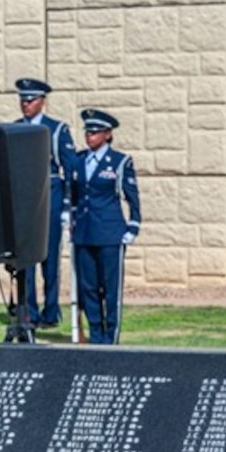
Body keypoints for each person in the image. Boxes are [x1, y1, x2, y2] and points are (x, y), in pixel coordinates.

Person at [70, 108, 141, 344]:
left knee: (111, 289)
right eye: (88, 132)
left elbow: (132, 197)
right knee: (88, 288)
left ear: (108, 134)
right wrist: (68, 218)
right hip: (84, 233)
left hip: (110, 233)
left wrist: (133, 226)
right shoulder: (79, 160)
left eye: (95, 132)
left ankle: (111, 337)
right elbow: (75, 196)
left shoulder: (120, 162)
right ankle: (96, 335)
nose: (90, 136)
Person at [12, 78, 77, 328]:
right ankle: (29, 310)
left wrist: (67, 206)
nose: (25, 105)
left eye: (30, 100)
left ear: (42, 101)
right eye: (23, 100)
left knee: (49, 258)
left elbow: (68, 169)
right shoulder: (15, 127)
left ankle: (51, 310)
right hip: (24, 202)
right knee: (25, 259)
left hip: (50, 197)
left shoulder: (56, 129)